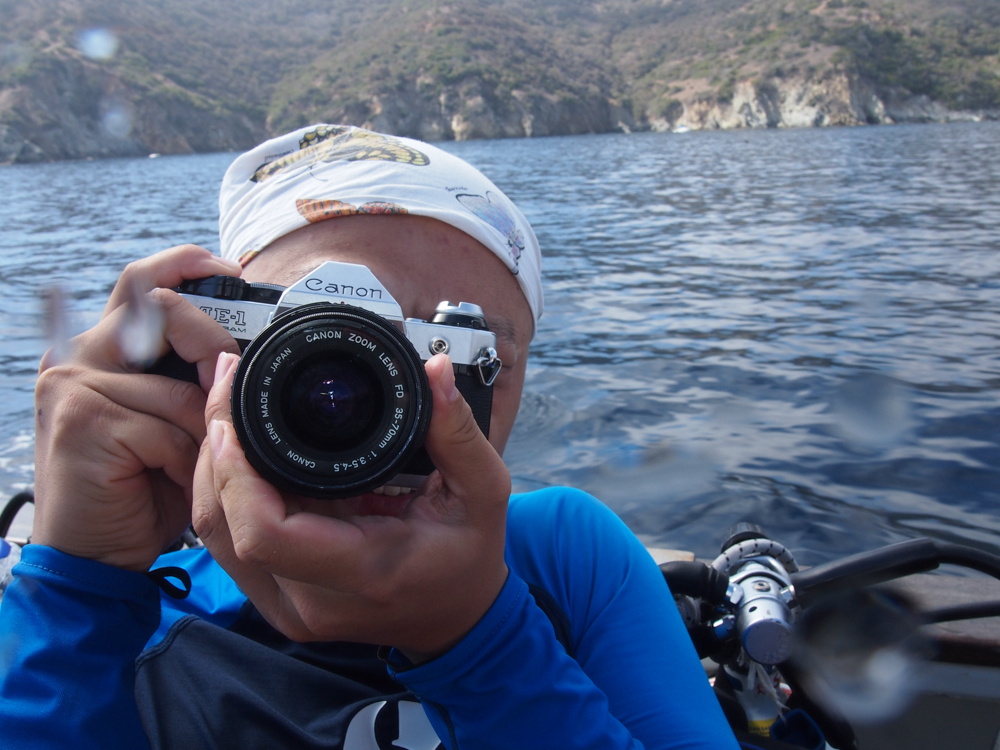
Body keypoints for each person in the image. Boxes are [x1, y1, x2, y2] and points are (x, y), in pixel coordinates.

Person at [0, 125, 739, 750]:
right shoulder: (128, 593)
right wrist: (78, 581)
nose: (397, 394)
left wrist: (476, 634)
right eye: (324, 338)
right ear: (208, 346)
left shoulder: (567, 555)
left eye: (462, 352)